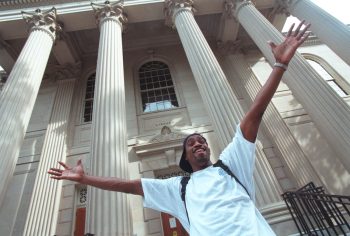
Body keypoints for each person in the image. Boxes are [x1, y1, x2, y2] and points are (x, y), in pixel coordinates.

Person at [48, 21, 311, 235]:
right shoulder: (178, 187)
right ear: (185, 156)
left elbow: (253, 117)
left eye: (202, 141)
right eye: (192, 143)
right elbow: (128, 185)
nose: (199, 144)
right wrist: (85, 179)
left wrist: (279, 66)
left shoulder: (231, 166)